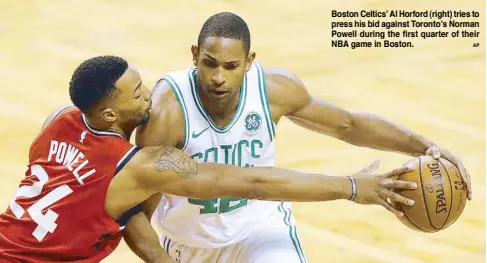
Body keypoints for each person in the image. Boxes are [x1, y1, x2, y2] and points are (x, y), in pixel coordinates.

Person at [0, 55, 417, 263]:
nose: (149, 95)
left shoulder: (58, 119)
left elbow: (117, 215)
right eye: (137, 93)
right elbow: (254, 183)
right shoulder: (141, 165)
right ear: (109, 114)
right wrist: (350, 187)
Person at [134, 12, 472, 263]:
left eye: (231, 66)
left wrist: (427, 147)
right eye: (210, 64)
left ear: (250, 62)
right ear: (194, 55)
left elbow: (347, 124)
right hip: (190, 245)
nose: (219, 77)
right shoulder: (168, 113)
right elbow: (136, 210)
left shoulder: (274, 90)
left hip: (261, 229)